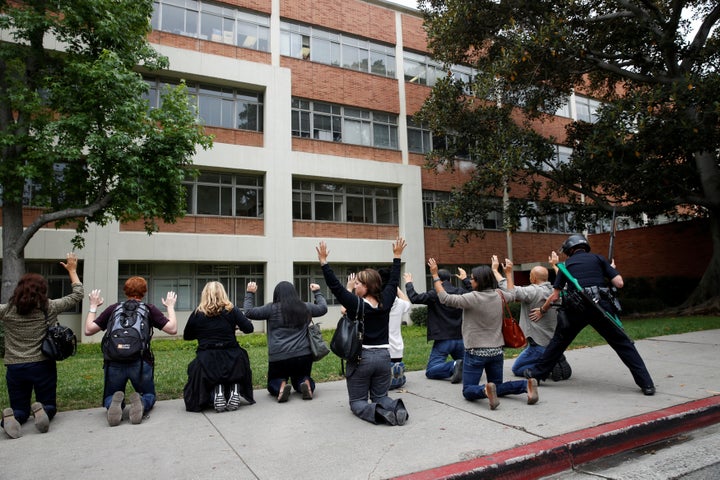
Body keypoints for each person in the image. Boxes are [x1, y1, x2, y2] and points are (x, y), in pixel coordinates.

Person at [524, 234, 656, 395]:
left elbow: (555, 296)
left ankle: (536, 375)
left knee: (558, 342)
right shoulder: (600, 260)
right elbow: (619, 283)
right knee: (623, 344)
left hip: (575, 310)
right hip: (601, 308)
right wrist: (610, 269)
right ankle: (647, 384)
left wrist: (542, 310)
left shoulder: (566, 266)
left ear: (570, 250)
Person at [315, 237, 409, 426]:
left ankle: (380, 415)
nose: (354, 285)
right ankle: (397, 409)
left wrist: (324, 262)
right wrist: (397, 257)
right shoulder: (387, 301)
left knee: (358, 402)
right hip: (384, 357)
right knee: (381, 396)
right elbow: (392, 282)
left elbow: (335, 286)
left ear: (367, 286)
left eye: (358, 283)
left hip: (362, 359)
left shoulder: (356, 304)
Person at [428, 257, 538, 410]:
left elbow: (445, 298)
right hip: (497, 351)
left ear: (478, 281)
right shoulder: (500, 295)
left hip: (475, 353)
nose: (470, 281)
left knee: (468, 390)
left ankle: (484, 390)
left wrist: (435, 275)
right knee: (497, 386)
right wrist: (508, 273)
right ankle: (525, 385)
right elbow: (513, 294)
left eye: (472, 279)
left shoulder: (472, 298)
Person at [1, 253, 83, 439]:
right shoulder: (50, 307)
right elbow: (78, 294)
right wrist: (72, 270)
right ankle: (42, 410)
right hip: (42, 363)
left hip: (15, 366)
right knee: (49, 403)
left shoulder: (6, 310)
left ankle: (13, 417)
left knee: (19, 407)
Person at [84, 277, 177, 426]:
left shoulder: (113, 308)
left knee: (110, 395)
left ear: (125, 291)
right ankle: (142, 402)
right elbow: (172, 329)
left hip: (114, 362)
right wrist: (170, 306)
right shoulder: (148, 309)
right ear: (144, 292)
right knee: (148, 394)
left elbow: (89, 330)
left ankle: (113, 404)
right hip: (139, 362)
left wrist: (93, 306)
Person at [243, 280, 327, 402]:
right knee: (301, 377)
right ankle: (306, 384)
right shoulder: (305, 307)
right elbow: (323, 308)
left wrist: (249, 293)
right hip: (303, 355)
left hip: (279, 356)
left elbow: (249, 312)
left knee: (274, 380)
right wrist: (317, 292)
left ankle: (281, 386)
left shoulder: (270, 308)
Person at [492, 253, 572, 380]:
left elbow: (511, 291)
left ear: (533, 278)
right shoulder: (557, 292)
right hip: (553, 341)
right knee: (539, 354)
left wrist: (497, 271)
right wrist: (555, 265)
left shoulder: (532, 291)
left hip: (538, 343)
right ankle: (553, 358)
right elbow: (566, 283)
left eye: (530, 275)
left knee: (517, 369)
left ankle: (548, 365)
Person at [183, 281, 255, 413]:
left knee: (200, 371)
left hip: (207, 358)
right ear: (223, 293)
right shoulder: (231, 310)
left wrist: (203, 332)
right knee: (241, 358)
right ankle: (234, 388)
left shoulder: (198, 313)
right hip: (232, 356)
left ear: (205, 294)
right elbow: (249, 328)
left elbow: (187, 335)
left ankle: (216, 392)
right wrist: (235, 326)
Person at [404, 268, 466, 384]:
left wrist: (408, 283)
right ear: (450, 279)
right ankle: (464, 366)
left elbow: (414, 298)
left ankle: (453, 366)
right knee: (469, 364)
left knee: (431, 370)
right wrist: (465, 279)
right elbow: (474, 292)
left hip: (443, 339)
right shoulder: (460, 291)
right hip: (460, 337)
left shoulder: (435, 294)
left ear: (436, 280)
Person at [377, 268, 411, 390]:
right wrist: (395, 287)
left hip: (380, 349)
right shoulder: (400, 304)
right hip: (397, 349)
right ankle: (395, 376)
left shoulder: (375, 302)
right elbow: (407, 302)